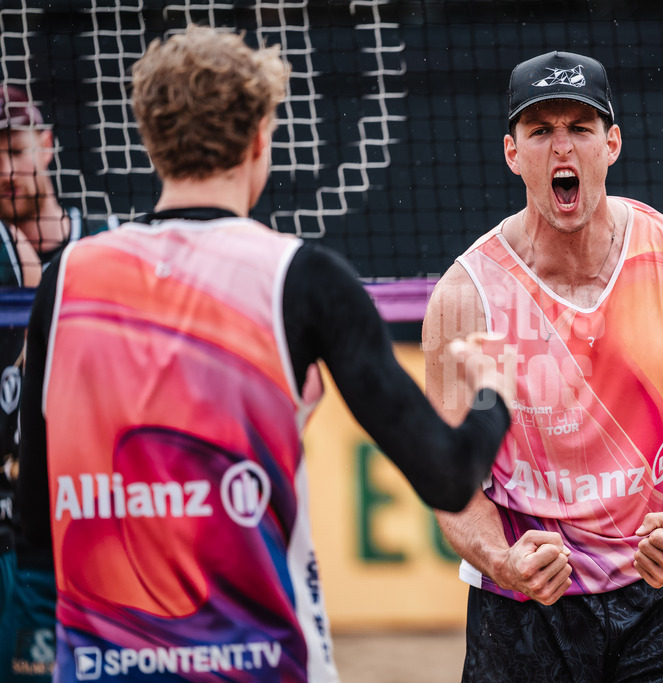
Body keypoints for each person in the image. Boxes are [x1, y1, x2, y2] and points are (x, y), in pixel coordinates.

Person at [16, 25, 511, 682]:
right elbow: (448, 477)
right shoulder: (300, 277)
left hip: (104, 662)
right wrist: (490, 394)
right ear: (257, 141)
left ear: (151, 141)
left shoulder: (68, 276)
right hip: (253, 662)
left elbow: (35, 524)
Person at [423, 50, 663, 681]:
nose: (561, 148)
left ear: (612, 144)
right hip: (522, 610)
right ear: (513, 154)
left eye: (580, 128)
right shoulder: (466, 297)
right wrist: (503, 559)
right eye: (541, 131)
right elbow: (450, 482)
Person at [0, 83, 113, 681]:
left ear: (45, 145)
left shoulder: (107, 246)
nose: (3, 169)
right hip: (18, 525)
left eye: (14, 149)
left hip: (98, 516)